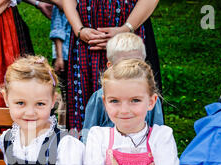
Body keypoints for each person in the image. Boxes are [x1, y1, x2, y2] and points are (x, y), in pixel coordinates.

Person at [63, 0, 161, 132]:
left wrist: (126, 29)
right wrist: (79, 29)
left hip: (128, 27)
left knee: (135, 89)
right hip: (87, 36)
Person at [81, 32, 164, 144]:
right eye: (124, 64)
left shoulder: (149, 97)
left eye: (136, 64)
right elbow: (88, 134)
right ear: (110, 66)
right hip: (106, 155)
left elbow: (158, 135)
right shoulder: (99, 97)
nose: (130, 70)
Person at [49, 4, 71, 128]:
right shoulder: (62, 4)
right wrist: (59, 57)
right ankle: (63, 128)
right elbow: (57, 30)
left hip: (78, 56)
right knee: (66, 96)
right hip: (64, 56)